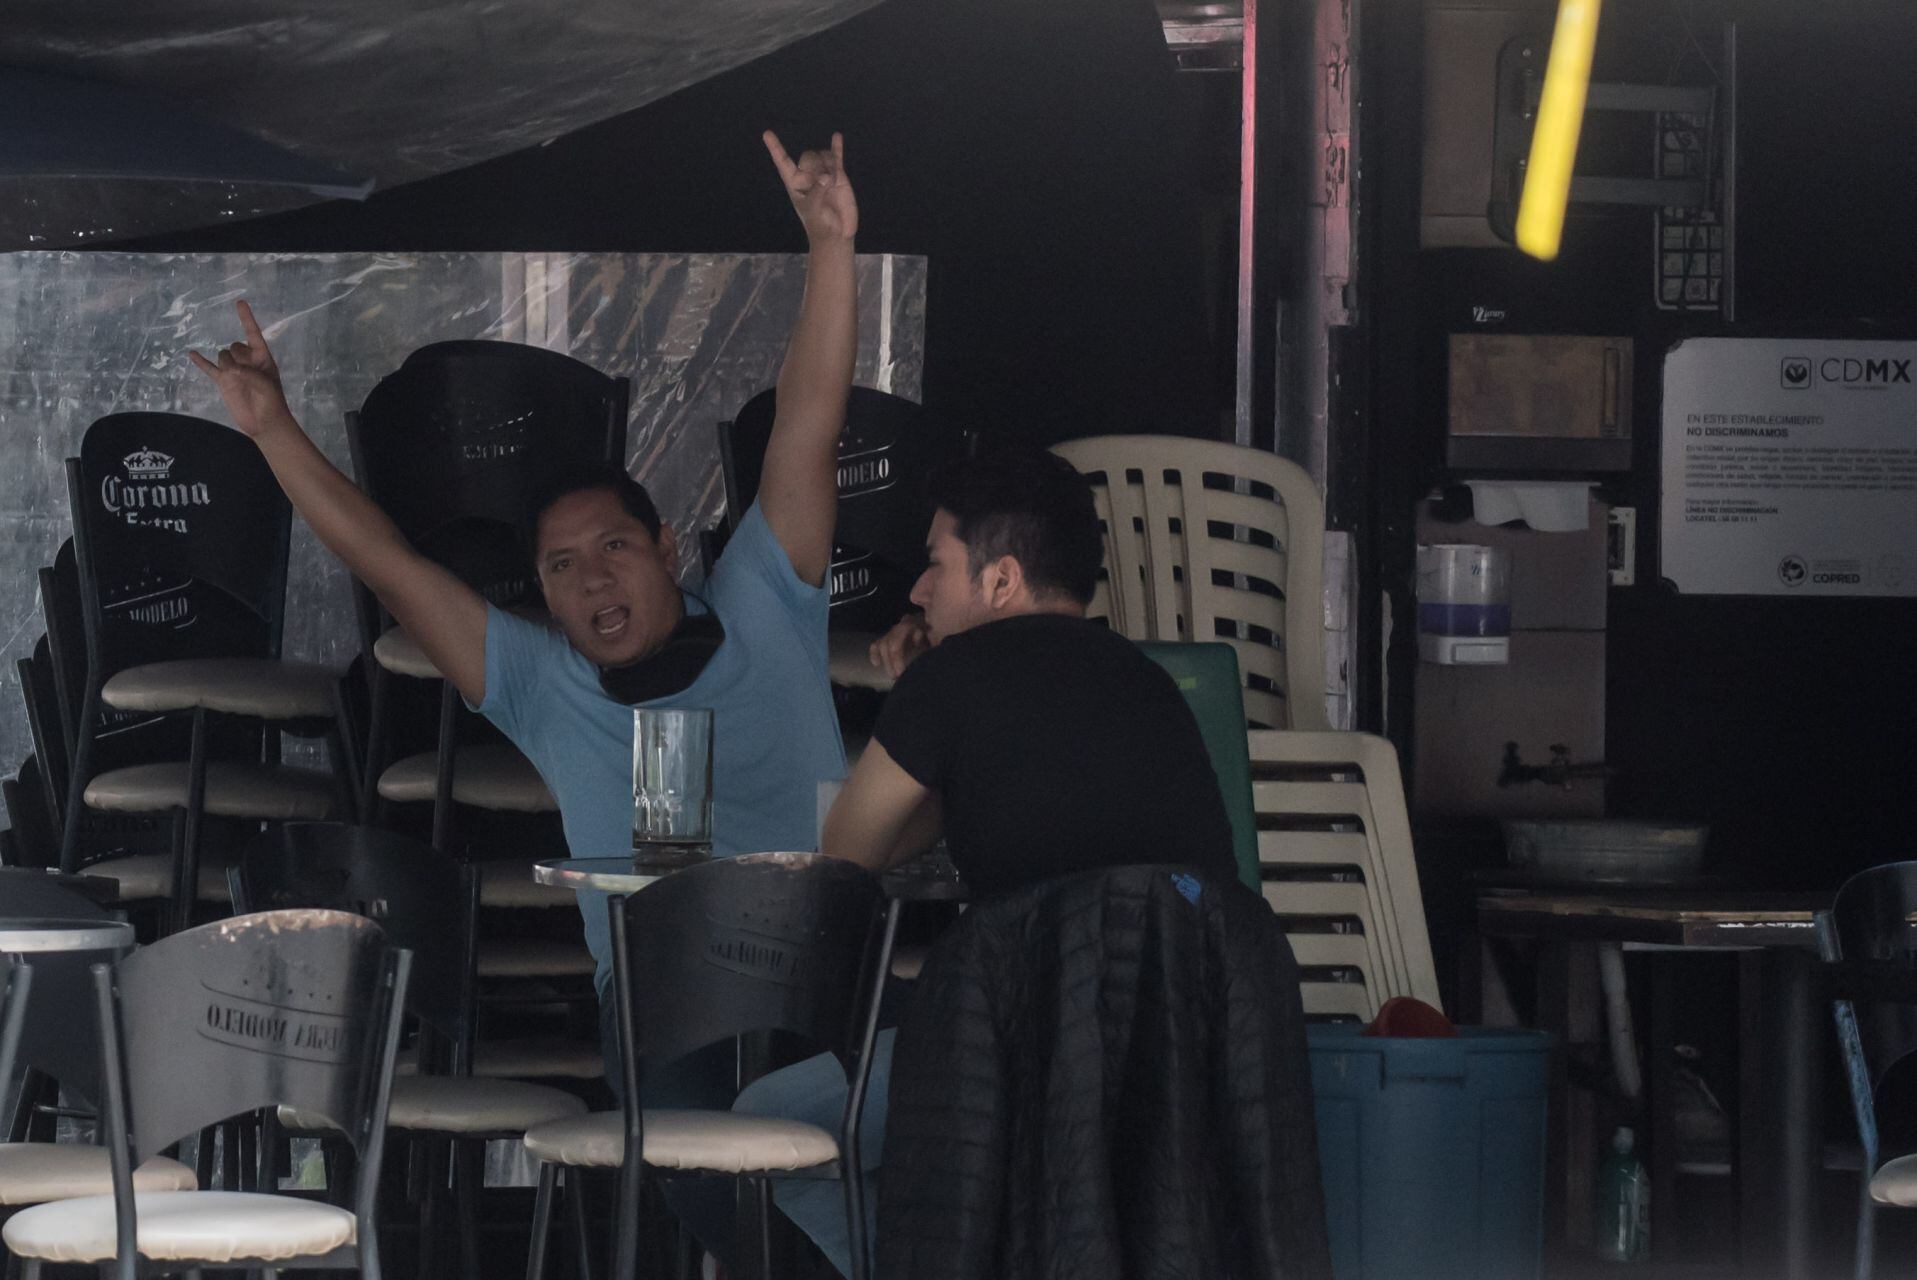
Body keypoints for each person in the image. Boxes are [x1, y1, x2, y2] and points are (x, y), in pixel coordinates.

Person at [191, 131, 860, 1270]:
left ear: (665, 545)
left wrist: (832, 247)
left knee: (893, 1140)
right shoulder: (543, 683)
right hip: (667, 1001)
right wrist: (272, 431)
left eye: (614, 547)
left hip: (820, 970)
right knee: (712, 1172)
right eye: (562, 567)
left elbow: (807, 419)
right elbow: (388, 561)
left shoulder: (764, 599)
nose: (594, 580)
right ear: (541, 595)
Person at [733, 448, 1239, 1276]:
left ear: (1000, 580)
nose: (916, 592)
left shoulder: (952, 677)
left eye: (935, 564)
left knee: (769, 1123)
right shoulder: (1148, 680)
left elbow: (846, 858)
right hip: (1188, 1056)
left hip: (1024, 1050)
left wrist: (917, 699)